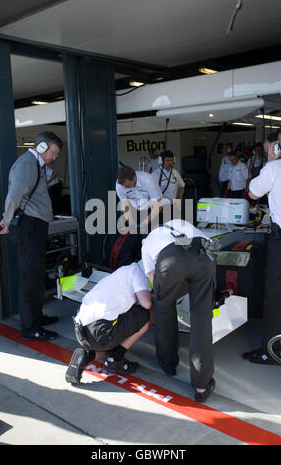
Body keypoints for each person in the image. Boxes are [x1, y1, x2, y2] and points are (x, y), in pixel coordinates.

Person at [141, 219, 216, 403]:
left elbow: (154, 279)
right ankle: (201, 386)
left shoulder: (147, 242)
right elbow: (214, 251)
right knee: (201, 317)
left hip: (169, 261)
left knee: (164, 308)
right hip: (203, 253)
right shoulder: (183, 223)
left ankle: (168, 365)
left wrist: (174, 288)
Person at [0, 131, 63, 341]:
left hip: (35, 226)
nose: (54, 157)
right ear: (42, 147)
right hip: (28, 226)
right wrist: (6, 221)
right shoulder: (26, 164)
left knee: (36, 275)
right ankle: (30, 328)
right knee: (29, 277)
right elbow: (14, 194)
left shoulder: (37, 165)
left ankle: (37, 318)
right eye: (53, 152)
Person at [243, 128, 281, 365]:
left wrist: (270, 162)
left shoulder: (275, 168)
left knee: (277, 295)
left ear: (278, 147)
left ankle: (273, 352)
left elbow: (252, 193)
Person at [65, 263, 153, 384]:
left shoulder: (119, 276)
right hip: (100, 333)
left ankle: (86, 356)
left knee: (106, 346)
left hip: (82, 332)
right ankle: (116, 359)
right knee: (146, 314)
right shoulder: (137, 272)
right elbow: (146, 303)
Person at [116, 166, 163, 232]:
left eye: (128, 186)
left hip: (152, 211)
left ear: (134, 178)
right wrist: (131, 222)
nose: (126, 188)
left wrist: (145, 223)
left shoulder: (149, 180)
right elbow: (124, 205)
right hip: (133, 212)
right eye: (124, 186)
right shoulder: (120, 185)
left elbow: (158, 206)